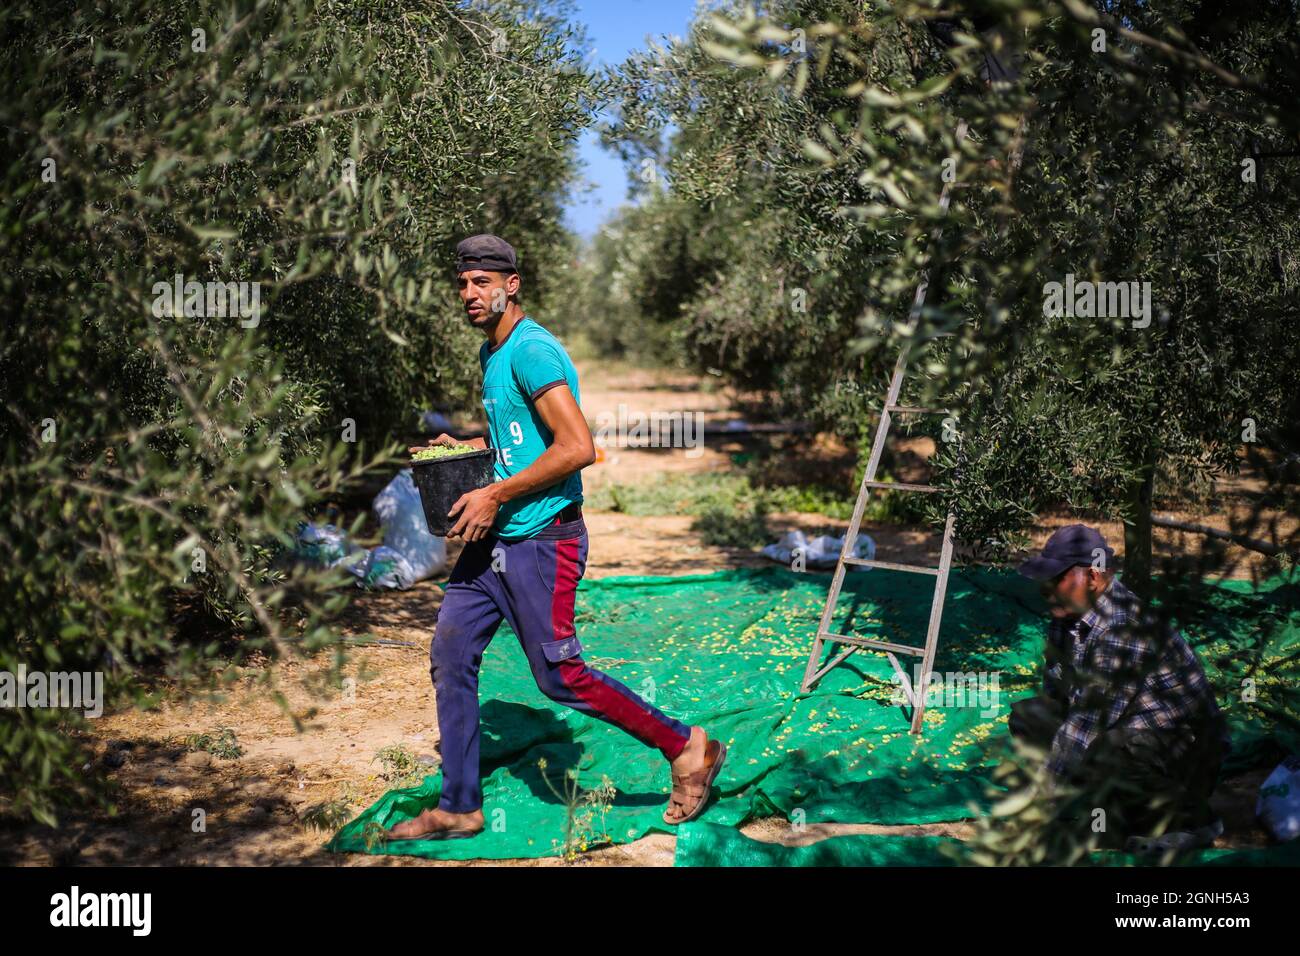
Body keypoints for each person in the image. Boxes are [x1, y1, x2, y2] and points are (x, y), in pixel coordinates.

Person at [388, 234, 726, 841]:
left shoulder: (532, 351)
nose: (469, 293)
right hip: (493, 541)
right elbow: (524, 442)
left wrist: (492, 493)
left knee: (560, 677)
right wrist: (469, 453)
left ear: (511, 285)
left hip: (542, 538)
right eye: (463, 283)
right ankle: (459, 805)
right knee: (451, 654)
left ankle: (688, 747)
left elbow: (577, 449)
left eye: (482, 282)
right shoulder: (493, 352)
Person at [1013, 524, 1229, 852]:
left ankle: (1193, 820)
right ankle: (1108, 807)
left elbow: (1086, 724)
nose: (1047, 589)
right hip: (1127, 726)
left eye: (1057, 579)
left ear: (1094, 578)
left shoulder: (1123, 627)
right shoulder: (1066, 616)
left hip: (1185, 750)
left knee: (1113, 748)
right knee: (1031, 717)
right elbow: (1057, 694)